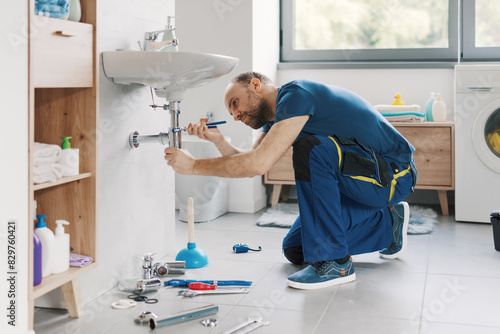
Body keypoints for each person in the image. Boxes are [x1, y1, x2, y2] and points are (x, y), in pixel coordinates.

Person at [164, 71, 417, 290]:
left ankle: (336, 264)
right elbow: (254, 164)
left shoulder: (297, 94)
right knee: (296, 249)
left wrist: (194, 165)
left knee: (311, 148)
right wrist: (218, 141)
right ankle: (387, 223)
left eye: (235, 103)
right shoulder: (277, 117)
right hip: (363, 178)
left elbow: (257, 163)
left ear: (255, 85)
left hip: (394, 173)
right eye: (231, 112)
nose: (235, 115)